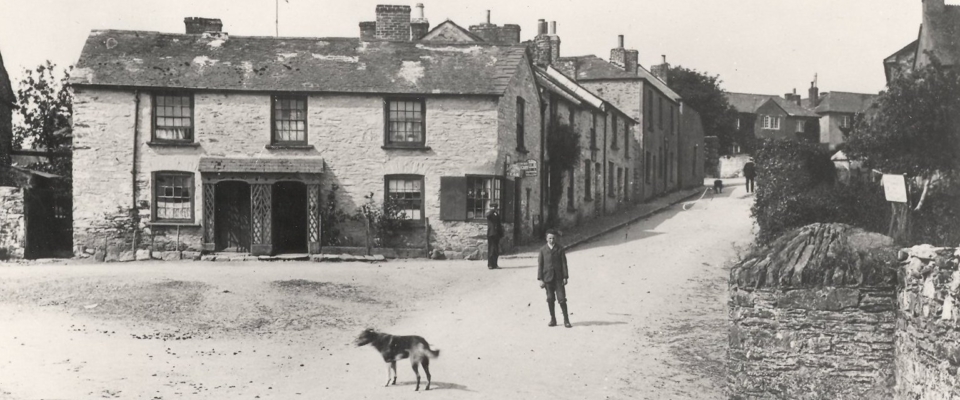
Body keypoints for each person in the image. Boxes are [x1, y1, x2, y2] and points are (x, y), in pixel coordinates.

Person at [538, 230, 571, 328]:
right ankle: (553, 319)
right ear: (546, 239)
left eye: (553, 238)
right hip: (547, 278)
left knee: (562, 299)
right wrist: (540, 279)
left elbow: (564, 263)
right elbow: (540, 265)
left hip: (558, 278)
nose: (552, 240)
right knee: (550, 299)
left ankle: (566, 320)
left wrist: (565, 277)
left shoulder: (560, 249)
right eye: (550, 238)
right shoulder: (542, 250)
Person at [485, 203, 504, 269]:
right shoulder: (489, 213)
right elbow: (487, 215)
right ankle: (490, 264)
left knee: (496, 250)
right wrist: (492, 210)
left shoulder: (496, 214)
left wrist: (501, 233)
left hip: (496, 234)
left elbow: (499, 224)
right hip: (491, 234)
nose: (495, 208)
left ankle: (495, 264)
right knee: (491, 249)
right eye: (493, 207)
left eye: (495, 207)